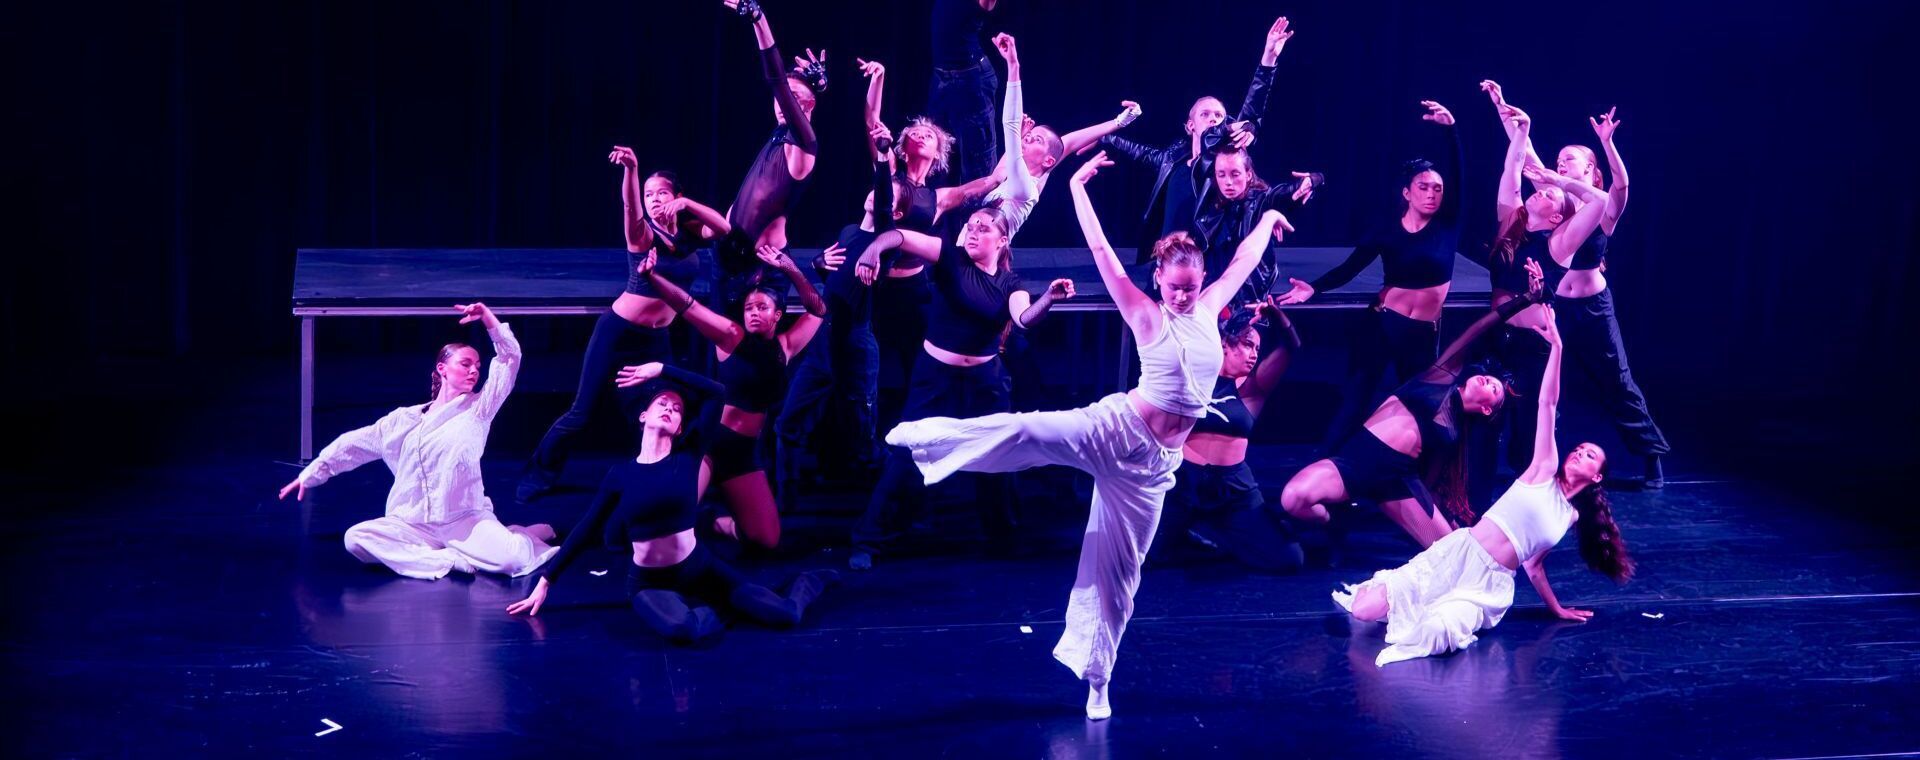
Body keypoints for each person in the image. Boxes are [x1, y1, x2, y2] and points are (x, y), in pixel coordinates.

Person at [883, 150, 1291, 719]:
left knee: (1119, 579)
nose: (1183, 296)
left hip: (1152, 468)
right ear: (1159, 280)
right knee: (1029, 430)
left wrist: (1269, 220)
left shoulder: (1209, 306)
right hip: (1115, 428)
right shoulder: (1144, 311)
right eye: (1174, 287)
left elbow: (1243, 261)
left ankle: (1097, 681)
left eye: (1190, 287)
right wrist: (1076, 187)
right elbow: (1101, 251)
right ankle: (928, 439)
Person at [1334, 306, 1633, 666]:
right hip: (1459, 555)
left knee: (1435, 630)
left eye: (1589, 456)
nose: (1578, 453)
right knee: (1365, 610)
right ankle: (1403, 596)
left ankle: (1436, 613)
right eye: (1581, 448)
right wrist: (1557, 348)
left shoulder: (1568, 516)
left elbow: (1534, 566)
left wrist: (1556, 609)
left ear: (1597, 476)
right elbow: (1547, 403)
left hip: (1488, 587)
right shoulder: (1543, 467)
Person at [507, 365, 836, 644]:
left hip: (699, 568)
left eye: (677, 409)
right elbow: (586, 527)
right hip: (650, 582)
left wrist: (663, 369)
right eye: (662, 403)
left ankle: (808, 581)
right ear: (643, 415)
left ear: (680, 427)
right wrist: (546, 581)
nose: (669, 408)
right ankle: (726, 606)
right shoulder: (621, 474)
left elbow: (718, 392)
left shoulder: (688, 456)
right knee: (684, 629)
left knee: (785, 616)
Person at [846, 205, 1073, 571]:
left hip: (985, 382)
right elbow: (899, 236)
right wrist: (874, 249)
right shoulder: (950, 258)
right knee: (908, 455)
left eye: (983, 228)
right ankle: (867, 540)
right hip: (935, 378)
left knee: (998, 456)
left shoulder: (1010, 284)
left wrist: (1049, 297)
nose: (973, 231)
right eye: (970, 225)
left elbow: (1024, 319)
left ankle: (1003, 538)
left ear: (1002, 240)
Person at [1276, 260, 1547, 549]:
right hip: (1356, 463)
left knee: (1452, 552)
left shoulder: (1454, 436)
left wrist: (1437, 513)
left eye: (1493, 388)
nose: (1486, 380)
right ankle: (1337, 522)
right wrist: (1527, 299)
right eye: (1487, 378)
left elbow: (1430, 477)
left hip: (1397, 483)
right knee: (1293, 498)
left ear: (1487, 409)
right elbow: (1480, 328)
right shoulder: (1440, 378)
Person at [281, 303, 557, 580]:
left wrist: (487, 319)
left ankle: (518, 535)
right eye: (465, 364)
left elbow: (509, 358)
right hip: (413, 523)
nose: (474, 370)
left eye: (477, 366)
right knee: (356, 538)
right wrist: (312, 473)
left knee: (514, 561)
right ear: (443, 369)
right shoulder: (404, 420)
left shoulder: (479, 409)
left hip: (463, 521)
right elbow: (354, 443)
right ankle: (448, 559)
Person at [1483, 81, 1669, 487]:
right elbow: (1522, 147)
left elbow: (1619, 186)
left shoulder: (1600, 206)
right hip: (1555, 305)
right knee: (1540, 378)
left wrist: (1607, 143)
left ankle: (1650, 455)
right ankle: (1529, 459)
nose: (1562, 165)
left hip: (1592, 306)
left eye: (1571, 161)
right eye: (1561, 161)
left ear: (1589, 169)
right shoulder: (1556, 200)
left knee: (1616, 379)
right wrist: (1501, 106)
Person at [519, 149, 727, 503]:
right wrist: (631, 171)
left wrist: (688, 204)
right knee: (581, 412)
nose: (653, 199)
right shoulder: (643, 234)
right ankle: (539, 474)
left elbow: (724, 227)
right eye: (649, 194)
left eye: (662, 192)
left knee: (663, 403)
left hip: (657, 339)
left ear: (675, 196)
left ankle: (659, 475)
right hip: (618, 332)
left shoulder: (690, 232)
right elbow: (630, 208)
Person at [1276, 101, 1463, 448]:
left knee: (1419, 408)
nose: (1432, 193)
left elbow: (1458, 172)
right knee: (1356, 401)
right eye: (1424, 187)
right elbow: (1351, 267)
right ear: (1407, 193)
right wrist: (1313, 289)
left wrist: (1450, 130)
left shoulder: (1447, 226)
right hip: (1382, 324)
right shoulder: (1386, 231)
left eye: (1437, 188)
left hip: (1421, 333)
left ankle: (1411, 480)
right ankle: (1328, 469)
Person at [632, 244, 825, 550]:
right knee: (670, 522)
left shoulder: (785, 347)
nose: (753, 313)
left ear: (777, 315)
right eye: (749, 308)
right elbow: (690, 307)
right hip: (711, 442)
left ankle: (712, 522)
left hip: (744, 452)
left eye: (761, 308)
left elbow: (818, 309)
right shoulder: (731, 336)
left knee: (766, 540)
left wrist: (790, 268)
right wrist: (653, 277)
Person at [1063, 17, 1301, 260]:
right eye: (1205, 114)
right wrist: (1105, 138)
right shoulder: (1172, 161)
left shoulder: (1221, 167)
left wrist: (1268, 60)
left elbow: (1252, 109)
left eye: (1219, 115)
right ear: (1190, 125)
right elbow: (1139, 152)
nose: (1213, 119)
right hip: (1167, 264)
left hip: (1208, 266)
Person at [1158, 298, 1304, 571]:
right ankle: (1191, 532)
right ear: (1224, 344)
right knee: (1150, 556)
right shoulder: (1193, 376)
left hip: (1233, 487)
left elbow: (1291, 347)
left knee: (1289, 560)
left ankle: (1219, 532)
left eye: (1258, 349)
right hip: (1183, 482)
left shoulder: (1252, 388)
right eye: (1247, 344)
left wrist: (1277, 315)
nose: (1254, 354)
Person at [711, 0, 825, 309]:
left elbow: (775, 78)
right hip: (727, 258)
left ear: (810, 105)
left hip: (758, 269)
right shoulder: (781, 132)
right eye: (780, 98)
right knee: (718, 353)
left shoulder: (805, 142)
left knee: (751, 351)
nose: (780, 103)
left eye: (791, 98)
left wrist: (759, 20)